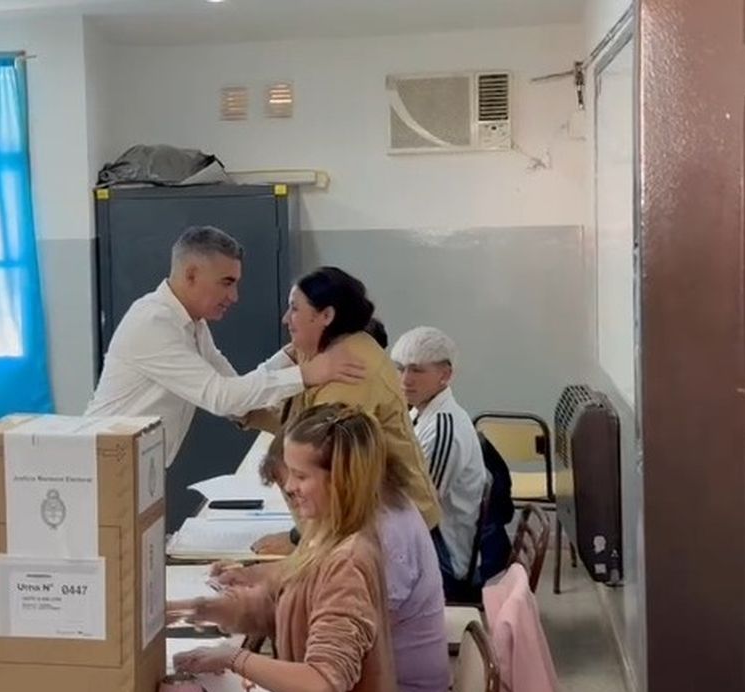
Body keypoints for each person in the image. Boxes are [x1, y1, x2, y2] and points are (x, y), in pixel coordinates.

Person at [170, 405, 417, 692]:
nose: (289, 486)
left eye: (301, 476)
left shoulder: (347, 562)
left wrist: (233, 659)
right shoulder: (326, 536)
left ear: (341, 480)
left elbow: (321, 685)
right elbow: (289, 609)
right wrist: (202, 609)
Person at [224, 423, 450, 692]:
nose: (294, 495)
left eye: (299, 480)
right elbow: (310, 572)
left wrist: (239, 643)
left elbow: (338, 650)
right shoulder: (369, 508)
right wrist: (254, 577)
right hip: (379, 685)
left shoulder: (380, 538)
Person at [84, 226, 365, 466]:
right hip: (100, 464)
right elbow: (222, 398)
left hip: (133, 465)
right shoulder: (154, 322)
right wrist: (307, 374)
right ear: (191, 275)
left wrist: (288, 356)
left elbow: (235, 389)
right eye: (226, 283)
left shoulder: (194, 325)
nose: (234, 296)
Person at [242, 266, 440, 529]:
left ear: (326, 315)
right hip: (366, 520)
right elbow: (297, 421)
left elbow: (324, 466)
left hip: (392, 526)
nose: (286, 319)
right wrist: (248, 412)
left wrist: (298, 541)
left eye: (295, 309)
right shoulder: (319, 351)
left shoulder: (351, 369)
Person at [389, 327, 489, 591]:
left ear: (445, 375)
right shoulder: (419, 413)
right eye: (400, 369)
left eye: (416, 370)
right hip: (426, 541)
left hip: (444, 561)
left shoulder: (444, 428)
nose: (405, 380)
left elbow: (417, 511)